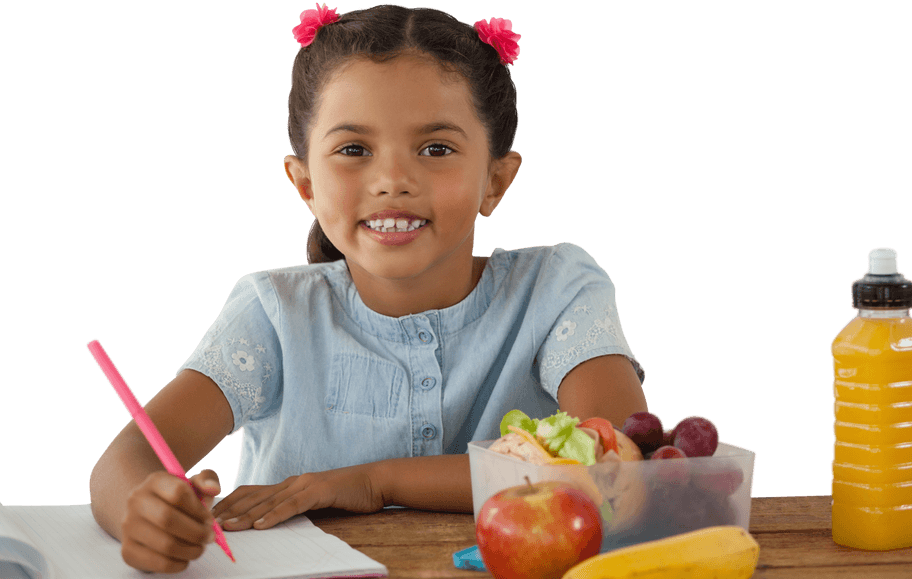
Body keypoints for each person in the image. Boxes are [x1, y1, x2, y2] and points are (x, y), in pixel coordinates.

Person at [88, 3, 648, 573]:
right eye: (354, 150)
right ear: (305, 182)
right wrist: (144, 509)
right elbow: (123, 462)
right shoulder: (275, 312)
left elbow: (617, 468)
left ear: (495, 180)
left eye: (436, 149)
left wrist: (374, 480)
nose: (392, 181)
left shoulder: (557, 290)